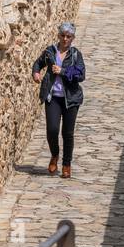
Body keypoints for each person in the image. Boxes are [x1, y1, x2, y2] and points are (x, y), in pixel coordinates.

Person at [32, 22, 86, 178]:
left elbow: (81, 75)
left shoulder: (76, 55)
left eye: (68, 36)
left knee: (67, 133)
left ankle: (66, 164)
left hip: (71, 99)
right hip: (53, 97)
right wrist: (36, 73)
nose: (65, 39)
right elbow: (38, 63)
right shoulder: (50, 51)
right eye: (62, 36)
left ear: (72, 38)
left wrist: (62, 71)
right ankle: (54, 154)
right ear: (58, 36)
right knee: (52, 130)